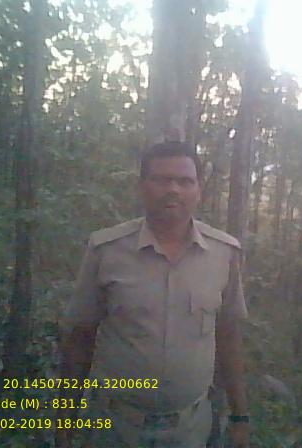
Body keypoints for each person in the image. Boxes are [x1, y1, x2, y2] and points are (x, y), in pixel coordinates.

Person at [55, 141, 250, 448]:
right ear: (142, 187)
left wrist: (240, 417)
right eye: (161, 180)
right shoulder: (106, 250)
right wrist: (65, 422)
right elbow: (80, 338)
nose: (173, 189)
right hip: (115, 427)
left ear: (199, 190)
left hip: (191, 429)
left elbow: (229, 336)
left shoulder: (223, 254)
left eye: (185, 181)